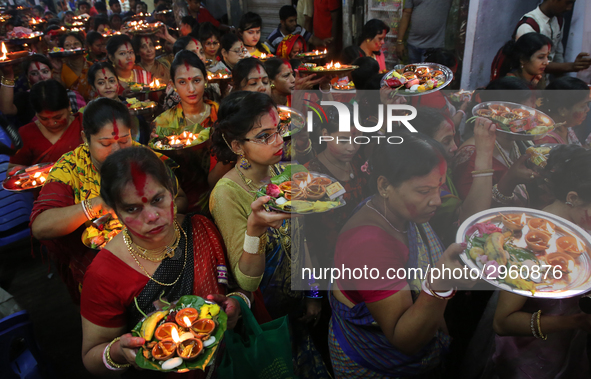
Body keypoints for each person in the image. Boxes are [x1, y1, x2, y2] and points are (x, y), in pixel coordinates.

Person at [80, 146, 242, 377]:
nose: (151, 216)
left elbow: (240, 288)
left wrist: (236, 303)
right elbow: (91, 357)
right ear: (114, 210)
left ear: (171, 189)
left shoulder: (202, 228)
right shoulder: (104, 274)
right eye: (132, 208)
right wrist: (117, 351)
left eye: (158, 199)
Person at [328, 134, 471, 378]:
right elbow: (404, 338)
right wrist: (441, 284)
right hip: (377, 363)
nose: (436, 200)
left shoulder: (396, 212)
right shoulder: (369, 246)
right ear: (384, 186)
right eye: (424, 191)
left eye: (439, 187)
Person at [210, 91, 330, 378]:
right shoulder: (227, 195)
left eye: (278, 130)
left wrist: (313, 293)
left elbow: (301, 242)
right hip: (263, 317)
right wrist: (256, 227)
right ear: (237, 145)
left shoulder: (285, 173)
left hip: (297, 307)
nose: (278, 141)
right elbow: (246, 279)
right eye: (264, 136)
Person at [30, 98, 186, 304]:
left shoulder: (142, 157)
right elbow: (40, 226)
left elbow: (181, 199)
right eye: (106, 144)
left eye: (124, 141)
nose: (118, 151)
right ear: (86, 138)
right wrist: (98, 204)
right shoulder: (71, 168)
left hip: (157, 260)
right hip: (102, 272)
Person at [492, 145, 591, 378]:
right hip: (525, 359)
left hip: (561, 352)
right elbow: (503, 322)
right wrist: (577, 321)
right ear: (573, 198)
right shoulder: (530, 241)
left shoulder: (578, 227)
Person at [453, 79, 539, 208]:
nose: (533, 119)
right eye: (525, 114)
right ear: (501, 115)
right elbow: (470, 212)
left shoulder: (518, 142)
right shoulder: (471, 154)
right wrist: (510, 181)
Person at [153, 51, 218, 213]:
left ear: (206, 79)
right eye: (182, 82)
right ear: (173, 85)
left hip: (222, 195)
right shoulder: (163, 122)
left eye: (196, 81)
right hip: (182, 202)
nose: (191, 89)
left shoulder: (221, 114)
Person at [9, 80, 83, 170]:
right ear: (36, 114)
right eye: (44, 119)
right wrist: (19, 171)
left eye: (58, 117)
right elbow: (12, 169)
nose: (52, 123)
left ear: (69, 106)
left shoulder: (85, 124)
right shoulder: (25, 134)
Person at [0, 54, 86, 127]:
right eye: (34, 73)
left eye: (45, 72)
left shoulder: (71, 95)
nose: (41, 77)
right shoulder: (25, 98)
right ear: (27, 77)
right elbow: (7, 110)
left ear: (52, 72)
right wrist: (8, 76)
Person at [515, 0, 591, 75]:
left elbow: (558, 54)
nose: (569, 8)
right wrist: (571, 66)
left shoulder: (559, 20)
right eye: (568, 3)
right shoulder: (528, 26)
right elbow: (533, 63)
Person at [537, 76, 590, 145]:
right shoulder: (546, 140)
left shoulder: (565, 126)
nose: (588, 109)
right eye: (583, 106)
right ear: (562, 110)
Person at [265, 5, 332, 55]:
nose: (294, 23)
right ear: (282, 22)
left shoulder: (298, 29)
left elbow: (311, 39)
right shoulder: (273, 38)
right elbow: (268, 58)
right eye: (291, 21)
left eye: (295, 20)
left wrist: (322, 42)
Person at [58, 32, 93, 100]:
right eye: (67, 45)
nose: (72, 47)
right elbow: (60, 93)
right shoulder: (60, 70)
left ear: (83, 46)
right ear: (63, 49)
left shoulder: (92, 66)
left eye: (76, 44)